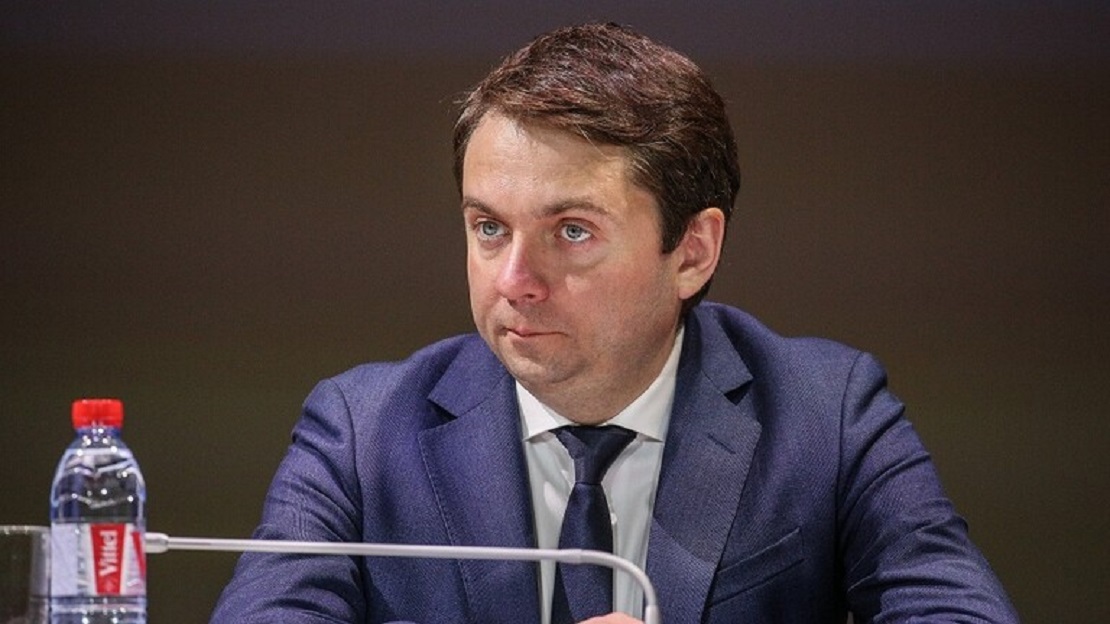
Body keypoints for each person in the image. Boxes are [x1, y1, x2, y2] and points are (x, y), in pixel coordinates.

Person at [212, 22, 1017, 623]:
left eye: (572, 232)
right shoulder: (360, 433)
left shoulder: (827, 415)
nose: (514, 281)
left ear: (692, 251)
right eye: (489, 227)